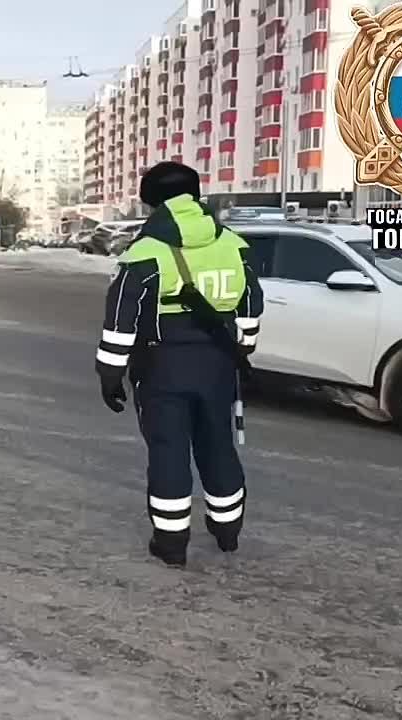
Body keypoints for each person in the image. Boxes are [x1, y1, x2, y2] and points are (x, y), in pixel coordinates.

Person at [94, 162, 263, 568]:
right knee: (218, 443)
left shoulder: (145, 252)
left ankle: (171, 544)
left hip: (161, 366)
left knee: (169, 450)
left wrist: (110, 375)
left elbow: (120, 319)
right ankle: (227, 532)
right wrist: (243, 349)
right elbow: (251, 306)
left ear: (152, 203)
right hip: (218, 364)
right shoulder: (234, 246)